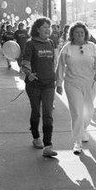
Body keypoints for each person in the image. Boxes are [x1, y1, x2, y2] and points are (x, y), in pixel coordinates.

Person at [56, 22, 96, 155]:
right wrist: (59, 83)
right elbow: (60, 66)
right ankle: (77, 141)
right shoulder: (67, 48)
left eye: (82, 33)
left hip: (89, 84)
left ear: (86, 34)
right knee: (77, 112)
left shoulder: (92, 47)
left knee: (88, 111)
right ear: (72, 34)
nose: (80, 35)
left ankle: (83, 130)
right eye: (77, 33)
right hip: (72, 84)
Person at [20, 17, 58, 157]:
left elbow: (52, 62)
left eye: (49, 27)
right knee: (36, 111)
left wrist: (55, 78)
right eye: (44, 27)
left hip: (48, 84)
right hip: (34, 84)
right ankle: (36, 137)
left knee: (48, 113)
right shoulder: (31, 43)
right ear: (37, 29)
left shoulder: (50, 43)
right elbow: (24, 61)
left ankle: (48, 145)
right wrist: (28, 73)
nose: (48, 30)